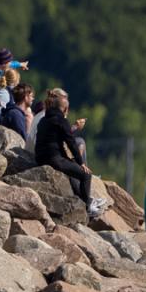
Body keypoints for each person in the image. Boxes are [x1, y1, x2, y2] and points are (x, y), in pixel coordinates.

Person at [36, 87, 105, 219]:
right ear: (65, 109)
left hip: (41, 157)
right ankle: (88, 208)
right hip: (53, 158)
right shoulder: (61, 120)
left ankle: (88, 200)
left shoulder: (44, 119)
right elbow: (71, 143)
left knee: (73, 169)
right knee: (86, 175)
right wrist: (81, 163)